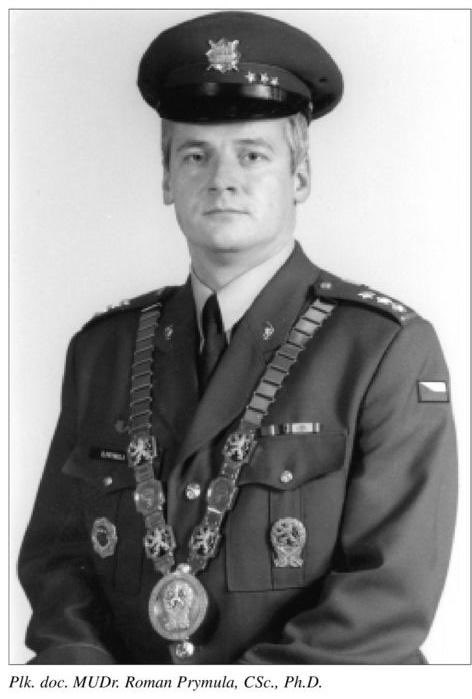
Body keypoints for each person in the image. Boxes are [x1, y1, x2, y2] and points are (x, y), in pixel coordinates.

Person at [18, 10, 457, 665]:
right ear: (167, 177)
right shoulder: (102, 353)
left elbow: (384, 602)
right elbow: (59, 571)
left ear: (299, 176)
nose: (222, 178)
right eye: (195, 155)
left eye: (253, 154)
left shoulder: (384, 351)